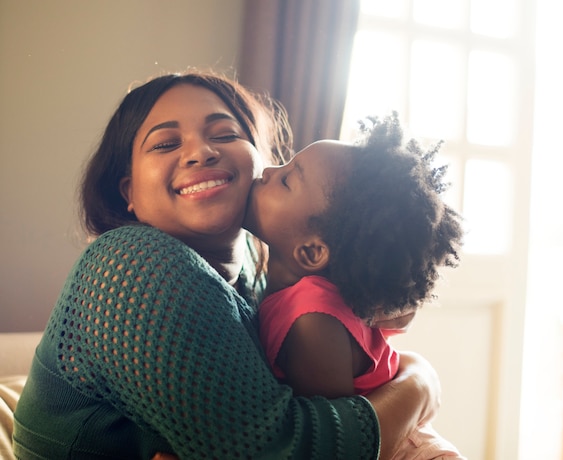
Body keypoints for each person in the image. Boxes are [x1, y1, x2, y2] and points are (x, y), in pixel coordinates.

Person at [13, 71, 441, 459]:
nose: (200, 152)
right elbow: (287, 451)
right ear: (130, 192)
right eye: (165, 144)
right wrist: (418, 384)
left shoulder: (261, 273)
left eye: (224, 133)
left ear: (257, 158)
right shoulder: (134, 265)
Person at [244, 113, 466, 459]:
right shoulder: (304, 296)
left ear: (312, 251)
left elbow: (338, 441)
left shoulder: (311, 321)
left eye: (287, 180)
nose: (269, 171)